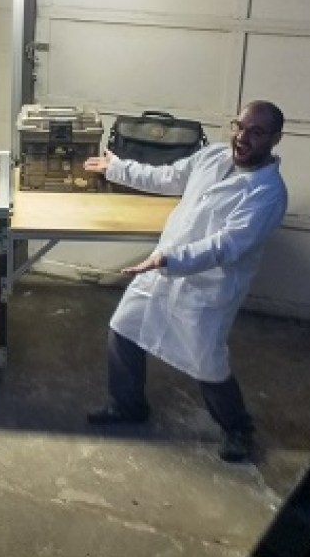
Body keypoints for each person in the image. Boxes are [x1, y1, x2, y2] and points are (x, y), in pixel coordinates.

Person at [82, 101, 288, 463]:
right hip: (162, 273)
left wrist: (170, 259)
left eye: (256, 132)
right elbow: (168, 177)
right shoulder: (212, 157)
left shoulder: (267, 193)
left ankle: (238, 428)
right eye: (239, 127)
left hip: (207, 288)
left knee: (207, 361)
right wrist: (116, 167)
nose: (242, 137)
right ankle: (127, 406)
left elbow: (226, 245)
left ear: (275, 138)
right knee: (124, 328)